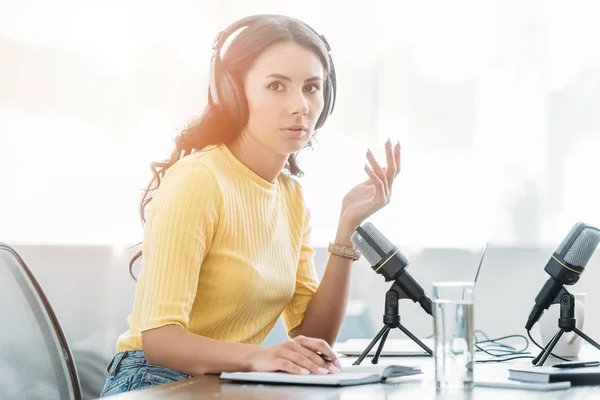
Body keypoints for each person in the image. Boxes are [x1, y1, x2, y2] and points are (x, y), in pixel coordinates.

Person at [99, 13, 401, 397]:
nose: (300, 106)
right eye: (276, 86)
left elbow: (313, 338)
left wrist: (347, 229)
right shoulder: (199, 179)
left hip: (225, 382)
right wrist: (258, 357)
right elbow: (160, 341)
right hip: (153, 381)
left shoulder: (291, 197)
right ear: (234, 94)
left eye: (311, 88)